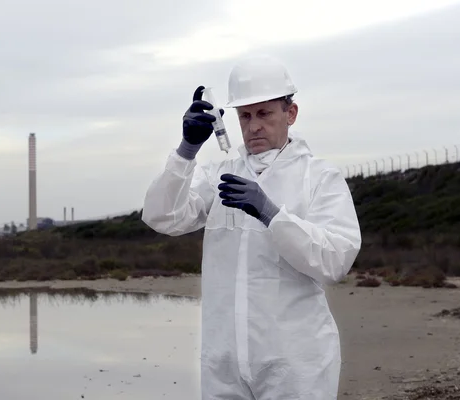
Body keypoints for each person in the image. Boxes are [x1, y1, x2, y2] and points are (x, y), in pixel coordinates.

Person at [141, 54, 361, 399]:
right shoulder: (219, 174)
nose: (253, 126)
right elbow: (162, 217)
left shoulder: (319, 178)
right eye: (244, 116)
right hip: (224, 361)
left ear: (290, 113)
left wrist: (271, 214)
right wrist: (187, 150)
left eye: (264, 114)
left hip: (294, 362)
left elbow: (336, 261)